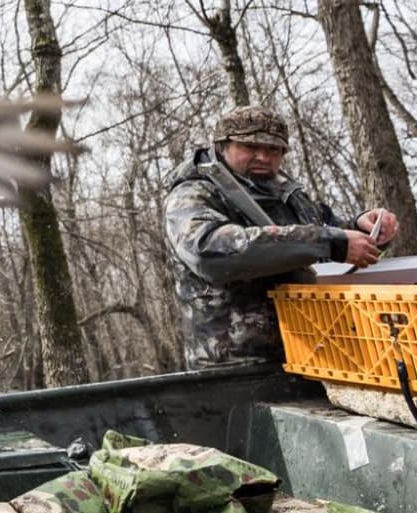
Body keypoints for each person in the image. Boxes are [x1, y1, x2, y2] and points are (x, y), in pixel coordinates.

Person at [164, 105, 401, 369]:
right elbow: (208, 251)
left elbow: (322, 230)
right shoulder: (193, 194)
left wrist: (364, 229)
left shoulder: (283, 192)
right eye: (251, 147)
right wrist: (328, 242)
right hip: (237, 367)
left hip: (315, 351)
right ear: (222, 146)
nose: (263, 157)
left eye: (273, 150)